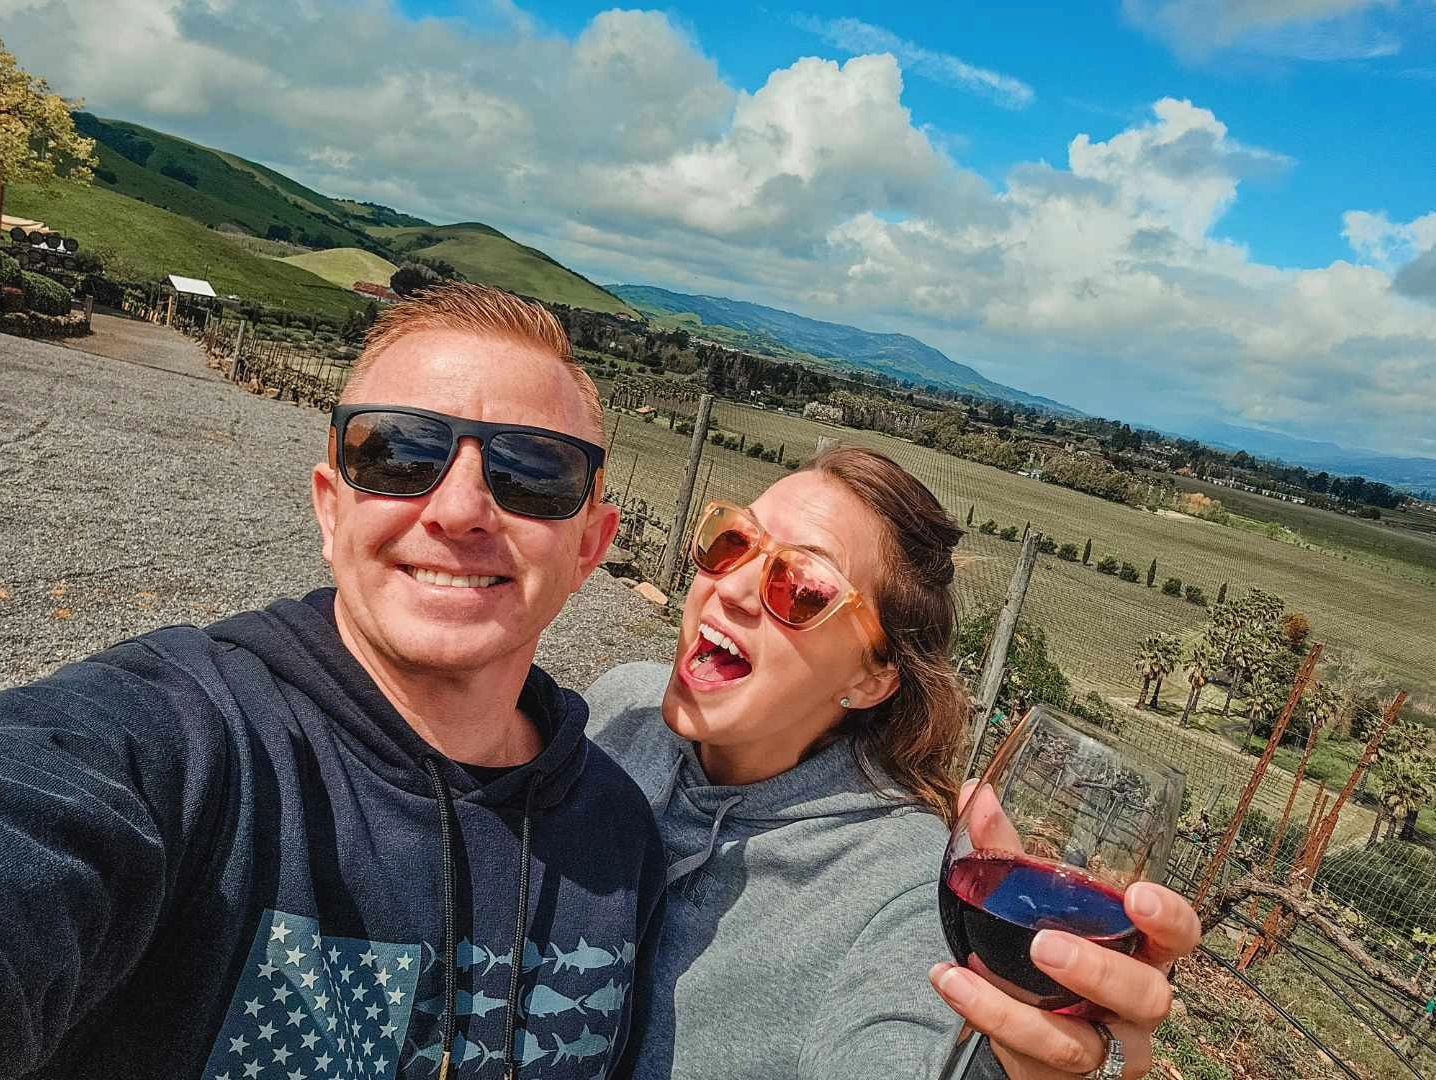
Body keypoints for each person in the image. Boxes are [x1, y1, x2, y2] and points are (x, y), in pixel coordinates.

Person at [0, 285, 666, 1080]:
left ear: (591, 546)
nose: (459, 511)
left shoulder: (620, 836)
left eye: (533, 473)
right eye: (398, 454)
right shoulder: (186, 745)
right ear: (330, 509)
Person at [586, 447, 1202, 1079]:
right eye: (732, 541)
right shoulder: (617, 707)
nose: (733, 588)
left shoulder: (897, 886)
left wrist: (1016, 1062)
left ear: (873, 676)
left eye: (800, 588)